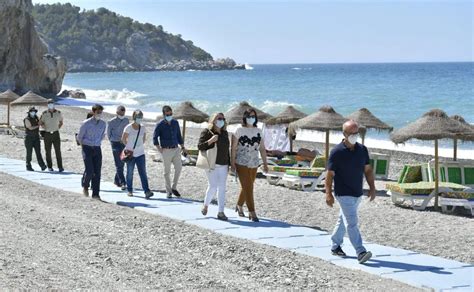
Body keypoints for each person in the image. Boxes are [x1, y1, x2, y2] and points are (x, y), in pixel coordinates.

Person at [325, 120, 376, 264]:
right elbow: (329, 175)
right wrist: (328, 193)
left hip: (357, 193)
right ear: (344, 134)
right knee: (352, 223)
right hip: (343, 193)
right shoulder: (337, 152)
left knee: (343, 220)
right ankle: (360, 251)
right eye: (351, 133)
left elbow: (368, 170)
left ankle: (335, 246)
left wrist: (372, 188)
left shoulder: (362, 150)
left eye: (356, 132)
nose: (354, 135)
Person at [231, 108, 268, 222]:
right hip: (241, 162)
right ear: (245, 117)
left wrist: (265, 163)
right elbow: (233, 148)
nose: (251, 118)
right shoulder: (239, 130)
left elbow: (262, 148)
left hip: (254, 163)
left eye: (253, 116)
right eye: (249, 116)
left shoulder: (258, 131)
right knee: (249, 187)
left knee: (247, 186)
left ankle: (239, 205)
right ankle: (252, 212)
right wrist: (232, 163)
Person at [198, 112, 230, 221]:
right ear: (213, 120)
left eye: (222, 118)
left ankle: (221, 212)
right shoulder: (206, 132)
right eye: (218, 118)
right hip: (211, 163)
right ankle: (206, 205)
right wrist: (211, 140)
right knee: (213, 186)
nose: (221, 120)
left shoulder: (225, 133)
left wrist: (229, 164)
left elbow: (227, 150)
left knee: (222, 188)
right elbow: (200, 146)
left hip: (224, 164)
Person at [152, 105, 187, 198]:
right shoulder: (159, 125)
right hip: (166, 150)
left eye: (171, 114)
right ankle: (168, 191)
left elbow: (179, 136)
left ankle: (174, 187)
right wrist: (159, 149)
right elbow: (155, 137)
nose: (170, 115)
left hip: (176, 149)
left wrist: (183, 147)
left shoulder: (175, 123)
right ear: (164, 115)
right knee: (167, 172)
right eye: (168, 114)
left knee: (179, 168)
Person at [77, 104, 107, 200]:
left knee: (97, 172)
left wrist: (97, 143)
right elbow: (79, 137)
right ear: (93, 112)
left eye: (101, 112)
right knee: (89, 170)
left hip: (97, 148)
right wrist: (84, 147)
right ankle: (85, 186)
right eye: (98, 112)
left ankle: (96, 194)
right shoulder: (86, 123)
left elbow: (102, 136)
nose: (99, 114)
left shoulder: (103, 124)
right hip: (87, 148)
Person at [122, 110, 154, 199]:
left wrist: (138, 146)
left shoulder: (143, 128)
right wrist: (129, 147)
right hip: (130, 154)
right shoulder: (128, 127)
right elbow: (123, 139)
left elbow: (143, 139)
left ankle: (147, 191)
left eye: (141, 117)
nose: (139, 119)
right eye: (138, 117)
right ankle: (129, 190)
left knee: (143, 173)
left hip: (140, 154)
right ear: (134, 117)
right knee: (130, 172)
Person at [39, 99, 64, 172]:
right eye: (49, 103)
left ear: (54, 104)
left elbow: (61, 122)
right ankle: (50, 167)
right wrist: (44, 127)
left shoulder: (58, 113)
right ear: (47, 104)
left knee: (58, 151)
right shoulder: (44, 113)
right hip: (47, 134)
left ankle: (60, 167)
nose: (50, 105)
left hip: (56, 134)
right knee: (48, 151)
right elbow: (40, 122)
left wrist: (57, 128)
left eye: (52, 103)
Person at [107, 105, 129, 190]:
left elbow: (127, 132)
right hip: (115, 143)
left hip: (123, 143)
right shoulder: (111, 121)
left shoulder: (126, 120)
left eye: (123, 112)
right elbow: (109, 134)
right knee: (118, 164)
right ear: (117, 112)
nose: (122, 113)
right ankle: (123, 182)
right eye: (121, 112)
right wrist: (112, 141)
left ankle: (116, 180)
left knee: (122, 162)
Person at [23, 106, 47, 171]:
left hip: (36, 137)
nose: (33, 112)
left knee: (38, 152)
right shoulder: (26, 119)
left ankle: (42, 165)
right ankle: (28, 165)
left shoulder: (37, 118)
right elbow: (30, 127)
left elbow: (41, 124)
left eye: (34, 111)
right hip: (29, 138)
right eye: (32, 111)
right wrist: (38, 125)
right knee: (29, 153)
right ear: (29, 112)